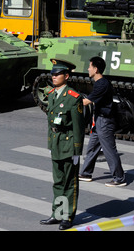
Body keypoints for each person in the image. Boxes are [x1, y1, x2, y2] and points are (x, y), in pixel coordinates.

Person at [40, 59, 85, 230]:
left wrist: (77, 150)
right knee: (58, 181)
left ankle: (68, 217)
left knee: (69, 182)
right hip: (56, 144)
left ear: (66, 76)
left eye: (57, 74)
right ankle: (57, 213)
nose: (54, 76)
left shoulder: (74, 98)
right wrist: (51, 143)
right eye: (53, 73)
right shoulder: (52, 94)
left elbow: (78, 127)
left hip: (68, 144)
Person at [79, 56, 126, 187]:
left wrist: (69, 100)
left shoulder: (102, 84)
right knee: (92, 147)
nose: (88, 69)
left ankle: (119, 178)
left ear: (96, 69)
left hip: (105, 121)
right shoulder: (99, 83)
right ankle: (85, 173)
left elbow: (86, 101)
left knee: (109, 150)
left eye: (90, 66)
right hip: (99, 119)